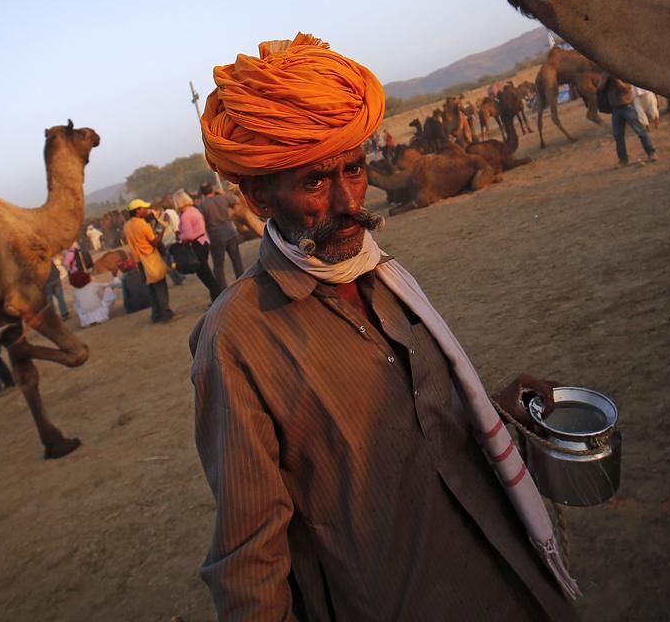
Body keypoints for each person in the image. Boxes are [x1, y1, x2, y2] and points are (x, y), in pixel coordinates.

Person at [191, 33, 580, 620]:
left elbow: (418, 431)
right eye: (315, 182)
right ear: (258, 195)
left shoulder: (380, 274)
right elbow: (250, 559)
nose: (351, 200)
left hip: (514, 578)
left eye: (354, 168)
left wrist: (497, 412)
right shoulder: (236, 339)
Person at [124, 199, 175, 323]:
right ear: (138, 211)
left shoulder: (127, 226)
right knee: (160, 286)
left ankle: (156, 315)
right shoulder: (141, 224)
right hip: (150, 257)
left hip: (139, 261)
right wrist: (162, 231)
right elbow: (154, 242)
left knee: (151, 288)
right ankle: (165, 314)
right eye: (144, 208)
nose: (146, 210)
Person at [175, 190, 224, 301]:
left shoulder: (186, 215)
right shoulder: (195, 211)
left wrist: (180, 237)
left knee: (205, 274)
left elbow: (188, 235)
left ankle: (218, 297)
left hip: (196, 245)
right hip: (203, 241)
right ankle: (216, 297)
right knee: (206, 272)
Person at [198, 181, 245, 289]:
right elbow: (236, 200)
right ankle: (243, 284)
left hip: (216, 237)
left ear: (202, 193)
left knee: (218, 266)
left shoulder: (202, 205)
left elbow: (201, 221)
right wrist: (222, 194)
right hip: (229, 232)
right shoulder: (222, 198)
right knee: (237, 261)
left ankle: (223, 290)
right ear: (212, 189)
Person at [607, 76, 657, 167]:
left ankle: (651, 152)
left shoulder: (620, 73)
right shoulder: (606, 75)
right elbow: (599, 87)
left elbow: (627, 88)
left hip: (627, 106)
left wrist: (616, 80)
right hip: (615, 109)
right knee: (618, 136)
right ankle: (623, 159)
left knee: (640, 131)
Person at [154, 198, 186, 286]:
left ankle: (178, 278)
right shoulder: (173, 211)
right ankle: (181, 275)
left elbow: (165, 224)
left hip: (168, 239)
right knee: (175, 259)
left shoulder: (166, 214)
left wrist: (157, 219)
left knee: (169, 261)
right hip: (175, 236)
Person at [44, 255, 70, 320]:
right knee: (60, 297)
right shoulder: (46, 257)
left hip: (46, 281)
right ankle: (64, 314)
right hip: (55, 277)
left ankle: (53, 317)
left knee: (49, 300)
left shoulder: (35, 261)